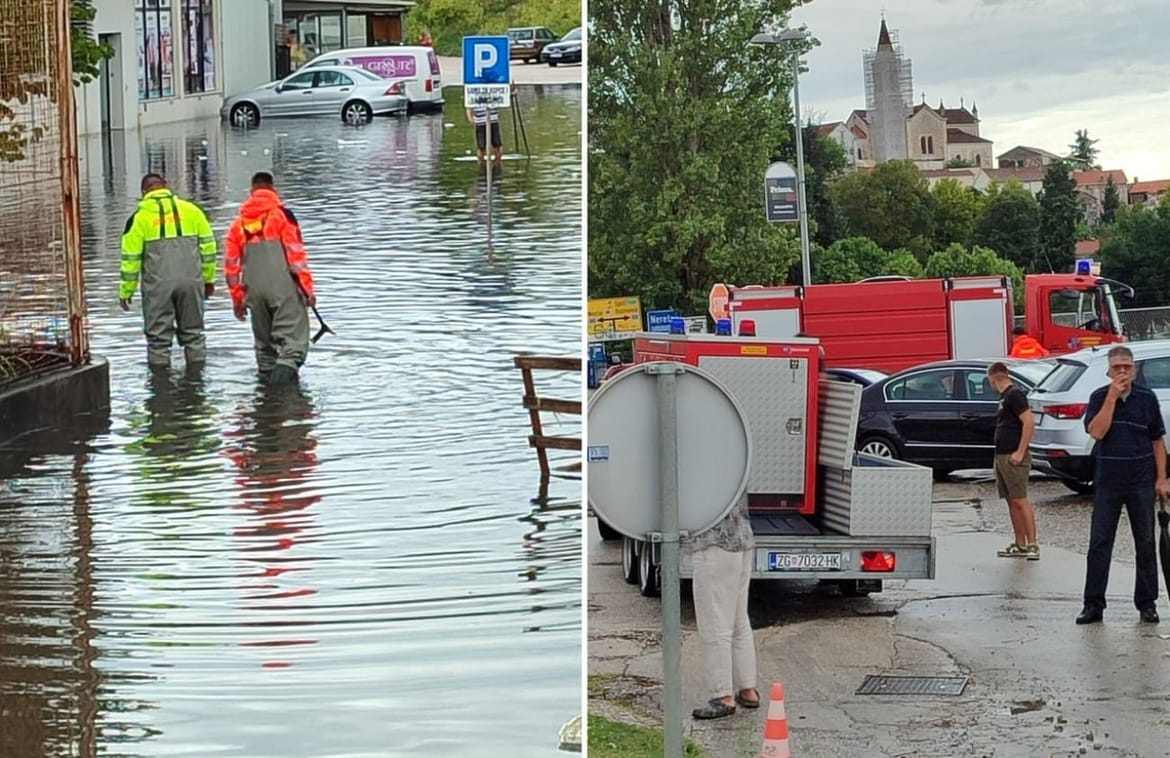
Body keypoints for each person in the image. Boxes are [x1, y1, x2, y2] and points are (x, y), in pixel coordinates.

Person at [1076, 346, 1169, 625]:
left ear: (1134, 369)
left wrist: (1162, 478)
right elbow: (1096, 431)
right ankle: (1093, 604)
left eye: (1127, 367)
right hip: (1108, 482)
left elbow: (1157, 441)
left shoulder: (1147, 398)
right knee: (1100, 543)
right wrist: (1112, 398)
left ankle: (1147, 603)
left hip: (1141, 481)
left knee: (1146, 542)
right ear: (1109, 370)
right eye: (1117, 367)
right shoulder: (1098, 397)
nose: (1123, 372)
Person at [224, 172, 316, 385]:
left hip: (254, 290)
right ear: (274, 190)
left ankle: (266, 396)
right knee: (293, 346)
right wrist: (307, 291)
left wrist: (238, 300)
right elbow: (296, 257)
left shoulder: (238, 225)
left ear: (251, 192)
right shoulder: (282, 216)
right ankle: (283, 395)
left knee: (265, 349)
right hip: (283, 287)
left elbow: (231, 267)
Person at [119, 173, 217, 368]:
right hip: (191, 283)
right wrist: (208, 280)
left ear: (144, 192)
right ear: (166, 186)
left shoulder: (138, 218)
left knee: (158, 341)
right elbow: (209, 249)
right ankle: (197, 378)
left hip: (158, 288)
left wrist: (126, 291)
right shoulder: (193, 211)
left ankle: (160, 382)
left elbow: (130, 260)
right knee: (194, 335)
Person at [689, 493, 759, 720]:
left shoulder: (705, 471)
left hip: (713, 541)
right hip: (742, 536)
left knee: (714, 621)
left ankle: (722, 696)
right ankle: (748, 689)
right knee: (739, 620)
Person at [987, 362, 1040, 560]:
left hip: (1013, 455)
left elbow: (1028, 422)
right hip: (1001, 454)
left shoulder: (1014, 395)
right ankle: (1020, 543)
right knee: (1011, 500)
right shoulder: (1004, 397)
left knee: (1020, 499)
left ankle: (1033, 543)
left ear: (993, 377)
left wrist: (1020, 451)